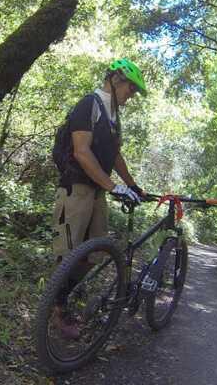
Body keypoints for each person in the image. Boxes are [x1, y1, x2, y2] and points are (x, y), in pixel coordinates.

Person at [50, 58, 147, 338]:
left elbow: (114, 155)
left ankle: (66, 299)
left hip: (97, 193)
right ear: (116, 80)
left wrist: (133, 187)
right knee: (66, 254)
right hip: (76, 188)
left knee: (91, 255)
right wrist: (115, 187)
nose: (131, 95)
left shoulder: (114, 116)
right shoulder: (89, 104)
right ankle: (58, 312)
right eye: (131, 88)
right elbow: (81, 151)